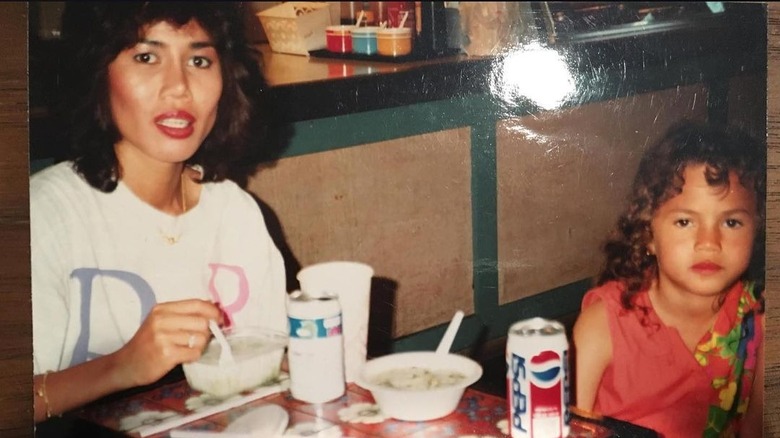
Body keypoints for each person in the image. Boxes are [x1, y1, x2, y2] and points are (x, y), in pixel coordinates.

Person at [31, 2, 287, 423]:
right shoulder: (47, 216)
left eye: (199, 60)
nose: (179, 87)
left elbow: (272, 369)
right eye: (146, 57)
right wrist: (121, 367)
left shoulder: (234, 213)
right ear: (98, 74)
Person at [573, 120, 765, 438]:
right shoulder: (602, 326)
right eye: (685, 221)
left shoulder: (759, 320)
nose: (709, 242)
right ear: (648, 233)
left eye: (731, 222)